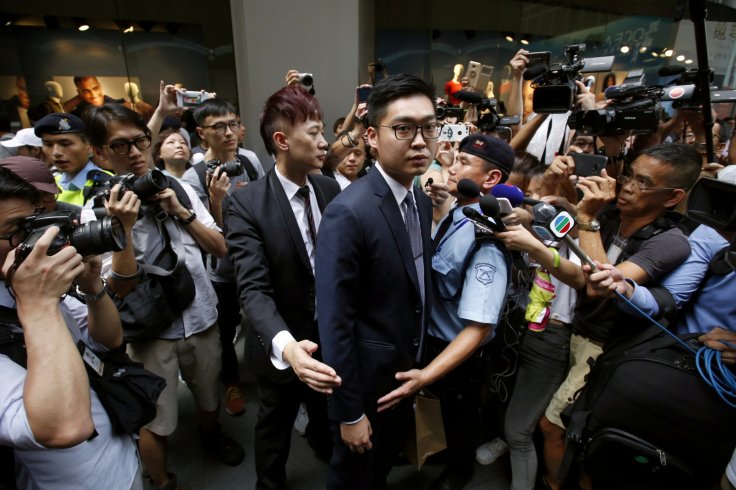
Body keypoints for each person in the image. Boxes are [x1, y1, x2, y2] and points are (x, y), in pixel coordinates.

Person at [85, 100, 244, 490]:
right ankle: (161, 480)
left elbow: (221, 248)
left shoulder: (176, 186)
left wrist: (180, 211)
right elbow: (117, 287)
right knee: (155, 418)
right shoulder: (96, 212)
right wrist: (121, 227)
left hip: (202, 316)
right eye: (121, 146)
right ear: (101, 153)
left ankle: (211, 435)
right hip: (150, 330)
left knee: (208, 393)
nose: (136, 152)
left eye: (140, 141)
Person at [534, 143, 701, 489]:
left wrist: (587, 219)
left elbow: (599, 286)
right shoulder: (610, 215)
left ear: (672, 197)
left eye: (642, 183)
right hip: (572, 329)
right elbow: (579, 262)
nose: (626, 186)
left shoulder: (671, 242)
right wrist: (564, 191)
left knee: (557, 429)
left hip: (605, 348)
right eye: (628, 175)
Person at [316, 73, 437, 490]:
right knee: (352, 478)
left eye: (428, 127)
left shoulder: (419, 199)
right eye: (404, 128)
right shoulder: (348, 213)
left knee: (380, 469)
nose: (420, 140)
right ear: (371, 136)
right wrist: (349, 413)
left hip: (402, 374)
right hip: (364, 385)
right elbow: (334, 324)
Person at [378, 134, 515, 489]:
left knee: (459, 415)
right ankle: (435, 449)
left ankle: (460, 471)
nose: (451, 168)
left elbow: (479, 328)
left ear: (492, 180)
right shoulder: (459, 211)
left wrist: (426, 374)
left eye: (463, 163)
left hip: (459, 352)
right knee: (437, 408)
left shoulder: (488, 242)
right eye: (453, 160)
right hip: (432, 338)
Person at [226, 85, 341, 489]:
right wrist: (288, 346)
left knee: (327, 413)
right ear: (282, 140)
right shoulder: (246, 204)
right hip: (280, 343)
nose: (324, 141)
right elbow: (253, 289)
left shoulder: (328, 188)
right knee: (274, 424)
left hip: (327, 336)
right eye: (313, 132)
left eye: (323, 130)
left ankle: (328, 457)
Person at [0, 165, 141, 489]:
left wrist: (92, 286)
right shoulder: (35, 292)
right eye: (17, 230)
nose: (37, 240)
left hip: (123, 461)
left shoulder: (32, 282)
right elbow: (64, 428)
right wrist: (36, 305)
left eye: (33, 223)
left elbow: (109, 339)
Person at [182, 98, 263, 417]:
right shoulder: (194, 175)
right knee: (226, 329)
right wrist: (216, 201)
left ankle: (275, 374)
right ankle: (231, 382)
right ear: (202, 134)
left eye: (233, 124)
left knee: (263, 319)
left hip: (256, 260)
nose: (230, 132)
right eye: (220, 127)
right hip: (222, 270)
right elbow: (208, 234)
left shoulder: (251, 159)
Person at [34, 113, 111, 207]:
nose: (56, 152)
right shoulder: (50, 183)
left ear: (89, 146)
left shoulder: (107, 184)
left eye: (65, 144)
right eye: (48, 145)